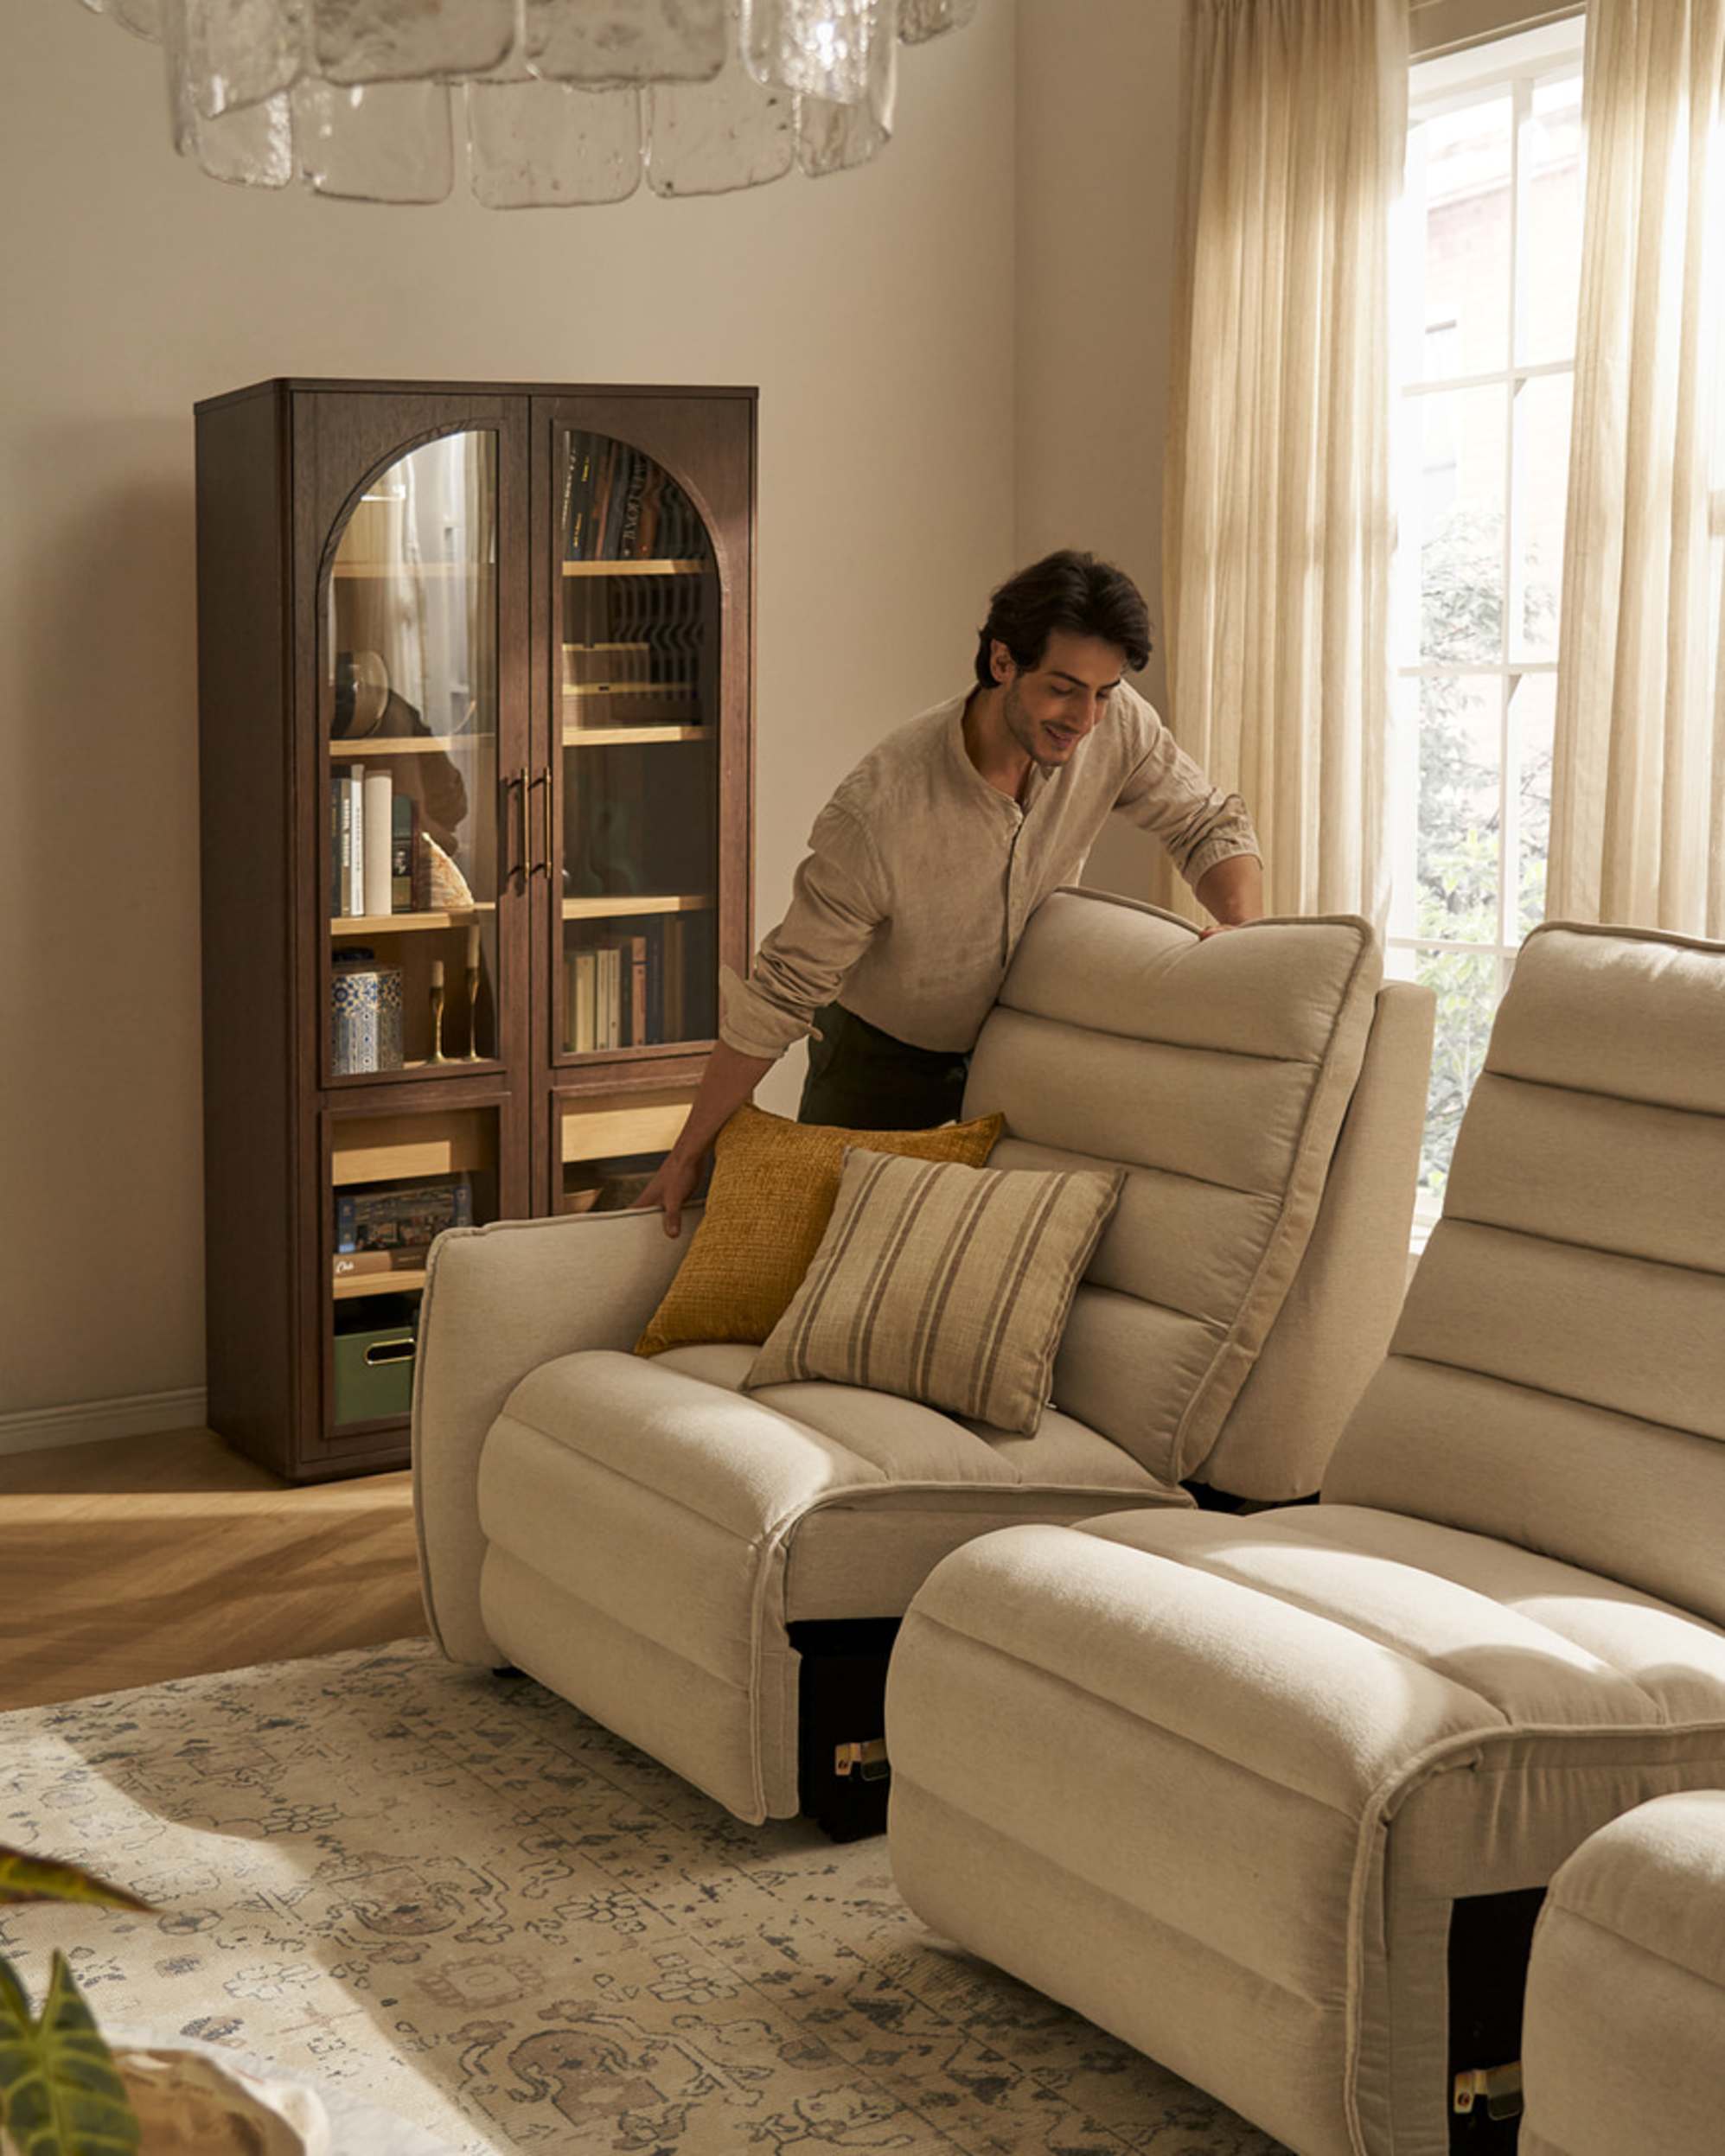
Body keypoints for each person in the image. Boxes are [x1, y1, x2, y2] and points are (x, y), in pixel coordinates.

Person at [636, 548, 1264, 1235]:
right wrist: (689, 1150)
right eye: (1062, 688)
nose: (1085, 719)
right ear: (1002, 662)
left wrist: (1240, 932)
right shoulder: (879, 810)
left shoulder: (1115, 724)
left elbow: (1206, 821)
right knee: (827, 1248)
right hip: (880, 1057)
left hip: (1021, 1047)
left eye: (1103, 692)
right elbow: (781, 995)